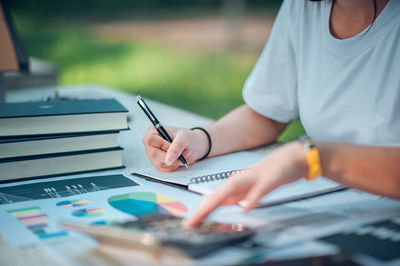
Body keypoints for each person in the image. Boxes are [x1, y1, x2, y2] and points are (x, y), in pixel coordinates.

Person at [142, 0, 400, 227]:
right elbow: (268, 113)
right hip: (327, 213)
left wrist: (311, 158)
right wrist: (200, 141)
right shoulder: (303, 8)